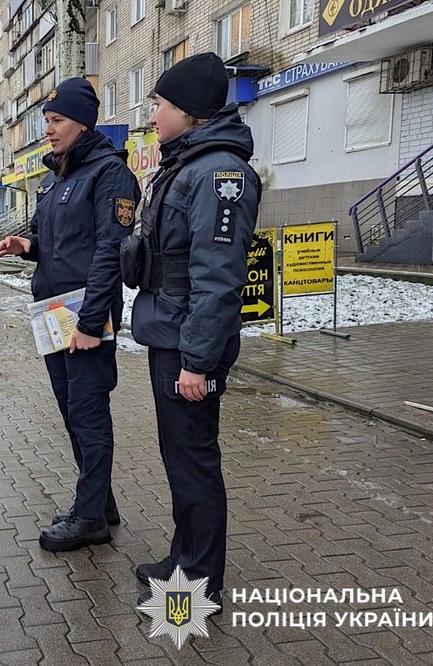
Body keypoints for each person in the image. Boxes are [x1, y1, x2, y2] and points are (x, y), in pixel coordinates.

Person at [128, 53, 261, 611]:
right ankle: (184, 553)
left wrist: (197, 362)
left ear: (189, 110)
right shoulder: (187, 164)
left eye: (159, 103)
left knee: (194, 460)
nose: (152, 113)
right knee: (177, 456)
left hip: (189, 344)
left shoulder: (219, 174)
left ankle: (199, 579)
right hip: (170, 333)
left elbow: (218, 279)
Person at [0, 78, 140, 552]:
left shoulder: (109, 175)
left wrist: (91, 323)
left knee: (88, 413)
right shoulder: (59, 176)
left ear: (82, 121)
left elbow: (107, 253)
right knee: (71, 411)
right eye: (47, 122)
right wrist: (26, 245)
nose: (49, 131)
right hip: (53, 313)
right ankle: (98, 502)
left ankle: (90, 517)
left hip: (85, 317)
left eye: (56, 122)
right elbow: (55, 245)